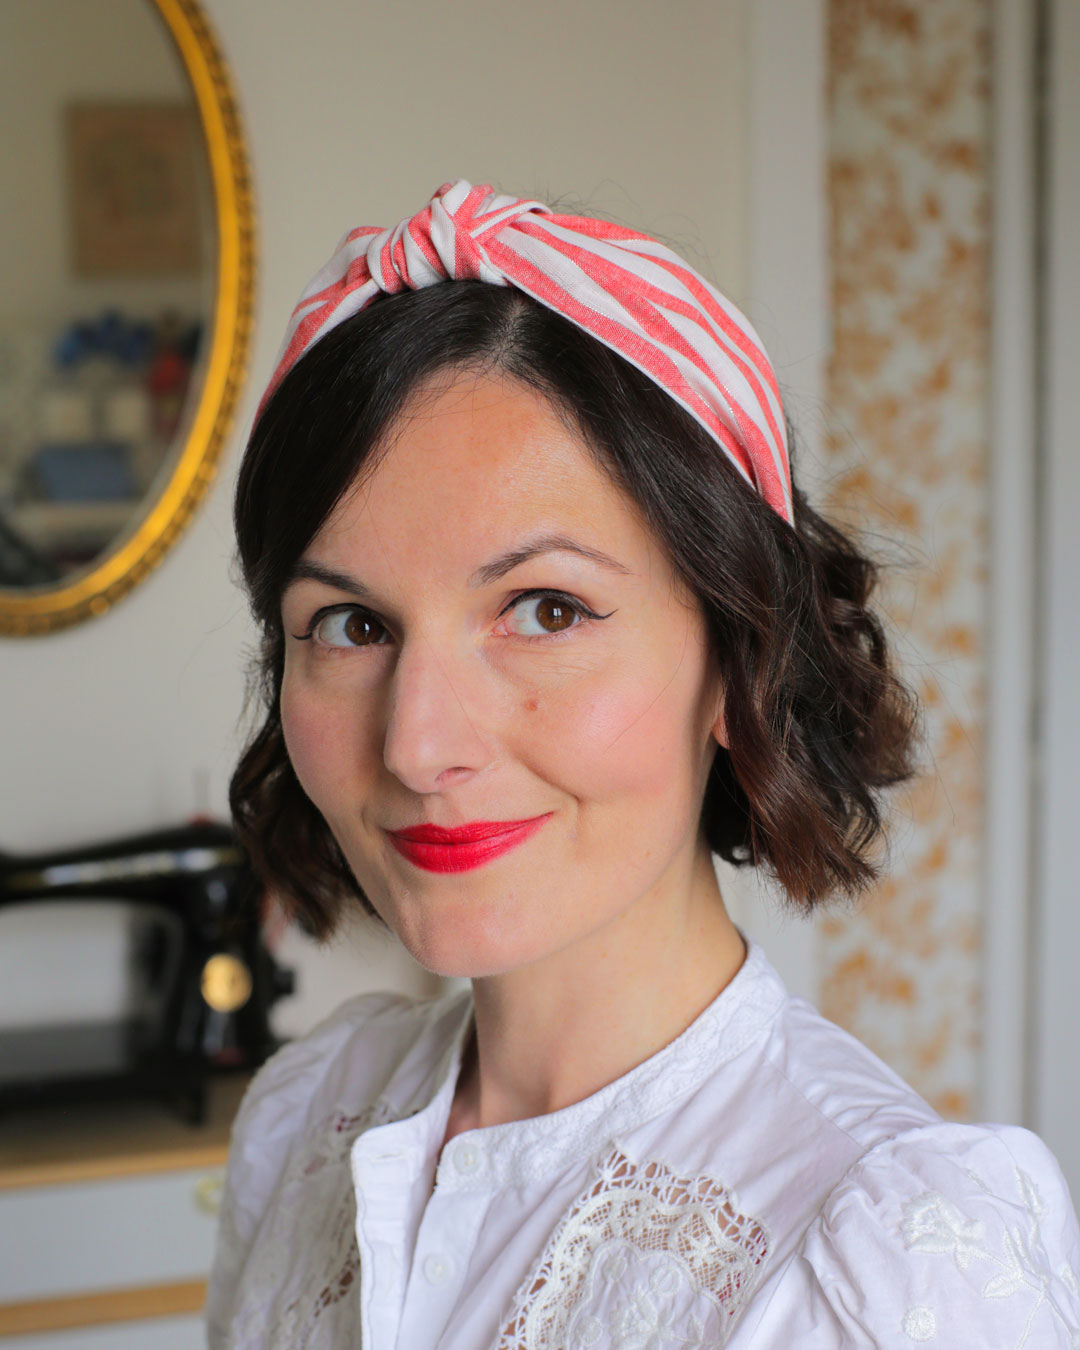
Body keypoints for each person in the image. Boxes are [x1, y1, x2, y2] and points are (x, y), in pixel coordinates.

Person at [205, 180, 1080, 1349]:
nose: (418, 746)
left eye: (546, 610)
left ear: (736, 659)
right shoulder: (304, 1118)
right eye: (352, 625)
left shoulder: (892, 1265)